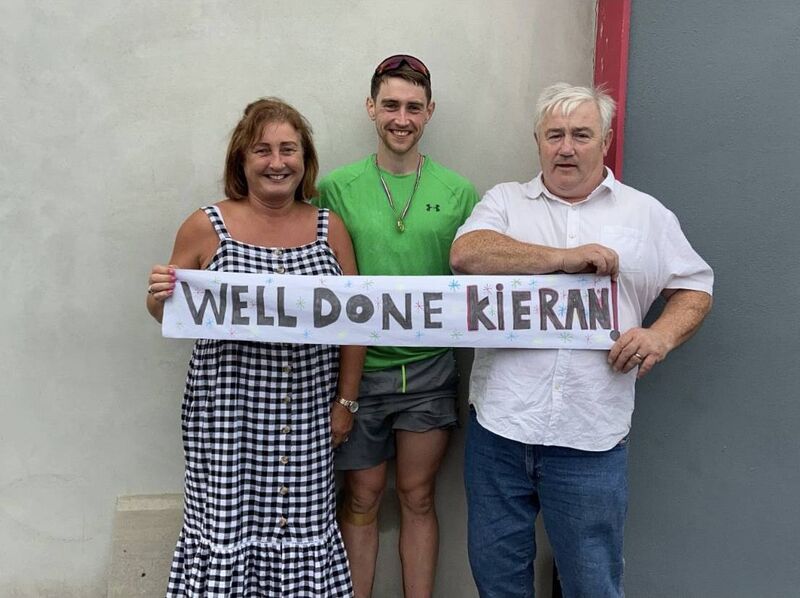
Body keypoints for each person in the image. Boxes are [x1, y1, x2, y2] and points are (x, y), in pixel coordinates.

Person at [450, 83, 714, 598]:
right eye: (554, 135)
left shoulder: (646, 215)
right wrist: (561, 258)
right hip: (502, 429)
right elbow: (467, 254)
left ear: (605, 140)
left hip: (591, 437)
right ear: (538, 141)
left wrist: (660, 335)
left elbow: (695, 287)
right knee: (497, 580)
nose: (566, 147)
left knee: (593, 584)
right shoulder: (505, 202)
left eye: (580, 134)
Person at [146, 97, 365, 597]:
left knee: (302, 528)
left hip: (306, 417)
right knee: (225, 531)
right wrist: (159, 298)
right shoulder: (205, 226)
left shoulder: (330, 228)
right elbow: (171, 314)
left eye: (289, 150)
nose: (276, 162)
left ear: (305, 162)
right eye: (262, 150)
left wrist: (346, 402)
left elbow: (357, 320)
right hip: (227, 417)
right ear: (241, 162)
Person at [315, 55, 479, 597]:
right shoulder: (337, 187)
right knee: (362, 495)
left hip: (430, 370)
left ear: (429, 112)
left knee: (418, 496)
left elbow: (479, 275)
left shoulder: (458, 192)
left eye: (413, 106)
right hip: (358, 375)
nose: (400, 118)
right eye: (390, 105)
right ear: (371, 108)